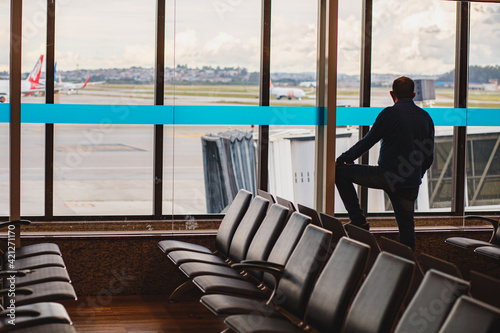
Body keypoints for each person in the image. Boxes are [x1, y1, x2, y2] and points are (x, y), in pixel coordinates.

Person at [335, 76, 434, 250]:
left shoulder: (389, 114)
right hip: (410, 182)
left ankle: (359, 221)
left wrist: (343, 159)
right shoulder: (426, 118)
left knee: (340, 173)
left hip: (385, 176)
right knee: (406, 227)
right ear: (413, 94)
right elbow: (428, 157)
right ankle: (407, 266)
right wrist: (416, 175)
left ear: (391, 94)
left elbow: (367, 141)